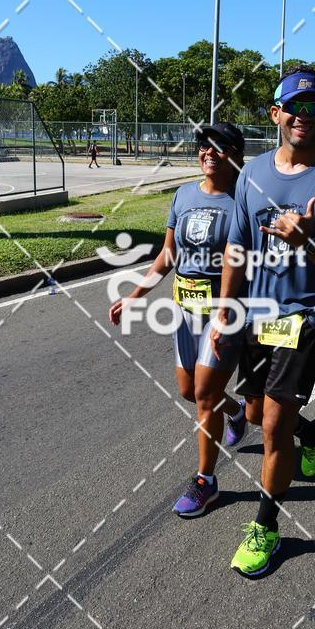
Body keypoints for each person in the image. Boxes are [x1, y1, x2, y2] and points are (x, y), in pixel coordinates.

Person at [211, 66, 315, 578]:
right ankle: (314, 434)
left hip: (309, 315)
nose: (305, 115)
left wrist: (308, 241)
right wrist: (224, 310)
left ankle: (266, 529)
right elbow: (237, 247)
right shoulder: (253, 174)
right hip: (260, 313)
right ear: (276, 113)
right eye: (294, 107)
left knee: (273, 423)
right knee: (257, 417)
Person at [109, 122, 248, 516]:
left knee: (204, 396)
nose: (208, 152)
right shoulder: (183, 194)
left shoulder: (243, 202)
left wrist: (224, 315)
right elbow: (168, 255)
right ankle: (235, 411)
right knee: (190, 391)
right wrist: (135, 297)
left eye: (219, 147)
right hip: (184, 311)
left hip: (224, 314)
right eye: (203, 146)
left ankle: (207, 480)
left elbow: (241, 264)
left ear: (236, 154)